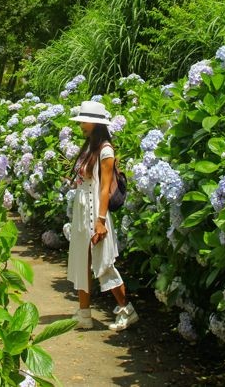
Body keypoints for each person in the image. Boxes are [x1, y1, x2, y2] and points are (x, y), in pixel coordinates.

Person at [67, 100, 138, 331]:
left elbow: (105, 188)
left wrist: (100, 221)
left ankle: (127, 310)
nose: (80, 125)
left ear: (95, 124)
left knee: (103, 263)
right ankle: (84, 314)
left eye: (84, 121)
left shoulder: (105, 150)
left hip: (95, 211)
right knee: (81, 260)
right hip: (82, 210)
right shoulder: (89, 147)